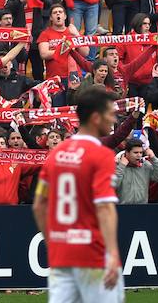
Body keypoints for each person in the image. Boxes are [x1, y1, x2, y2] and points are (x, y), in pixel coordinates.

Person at [33, 86, 124, 300]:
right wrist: (111, 253)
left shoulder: (56, 154)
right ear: (95, 117)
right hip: (93, 255)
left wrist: (52, 242)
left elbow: (39, 205)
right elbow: (104, 207)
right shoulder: (100, 155)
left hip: (61, 255)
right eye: (110, 114)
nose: (113, 121)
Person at [114, 136, 158, 204]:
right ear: (127, 152)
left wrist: (153, 158)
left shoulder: (145, 165)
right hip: (123, 208)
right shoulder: (118, 165)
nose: (139, 155)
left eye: (141, 152)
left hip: (142, 208)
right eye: (136, 152)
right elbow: (114, 185)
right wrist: (122, 166)